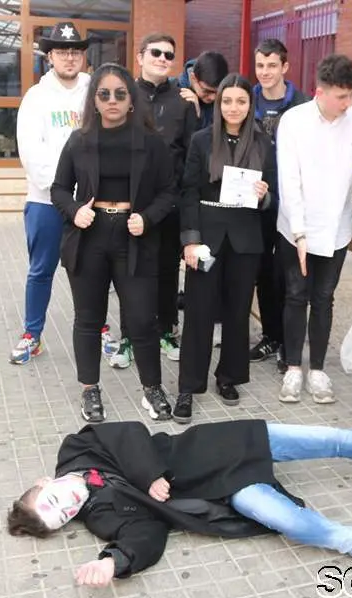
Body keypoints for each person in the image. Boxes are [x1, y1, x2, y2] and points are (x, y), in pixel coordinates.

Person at [6, 419, 352, 586]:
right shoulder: (100, 516)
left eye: (54, 499)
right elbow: (146, 532)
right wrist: (115, 561)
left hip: (220, 445)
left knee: (334, 439)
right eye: (63, 515)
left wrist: (148, 476)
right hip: (221, 492)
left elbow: (128, 434)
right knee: (292, 524)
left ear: (45, 481)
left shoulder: (77, 448)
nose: (69, 504)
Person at [50, 63, 178, 423]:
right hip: (89, 236)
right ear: (94, 99)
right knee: (88, 319)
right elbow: (59, 189)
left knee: (142, 319)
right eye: (104, 94)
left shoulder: (150, 142)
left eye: (120, 94)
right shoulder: (79, 141)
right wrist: (74, 210)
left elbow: (170, 191)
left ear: (131, 100)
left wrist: (147, 217)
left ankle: (152, 388)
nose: (112, 100)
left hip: (134, 236)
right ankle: (90, 390)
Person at [275, 55, 352, 405]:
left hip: (337, 229)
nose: (347, 103)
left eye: (351, 95)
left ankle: (318, 369)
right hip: (295, 227)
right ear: (319, 92)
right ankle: (293, 367)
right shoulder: (294, 121)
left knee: (324, 298)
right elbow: (289, 180)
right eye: (341, 96)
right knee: (295, 295)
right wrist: (299, 233)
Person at [176, 73, 278, 423]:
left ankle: (228, 376)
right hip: (207, 237)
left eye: (241, 101)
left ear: (251, 105)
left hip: (245, 239)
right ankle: (188, 386)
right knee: (199, 313)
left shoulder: (263, 143)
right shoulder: (202, 140)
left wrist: (265, 197)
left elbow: (273, 196)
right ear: (218, 104)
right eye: (228, 101)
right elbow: (188, 191)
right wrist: (190, 240)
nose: (234, 108)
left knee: (237, 312)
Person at [105, 32, 197, 370]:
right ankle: (129, 337)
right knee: (129, 271)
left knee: (167, 270)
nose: (162, 59)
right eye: (155, 52)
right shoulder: (123, 95)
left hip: (170, 202)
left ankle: (167, 331)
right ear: (140, 56)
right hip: (131, 203)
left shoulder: (183, 102)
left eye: (169, 55)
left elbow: (191, 154)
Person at [8, 22, 91, 365]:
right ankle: (33, 334)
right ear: (50, 56)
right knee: (41, 270)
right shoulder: (36, 97)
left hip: (89, 202)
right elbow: (31, 151)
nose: (69, 58)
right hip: (46, 201)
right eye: (62, 52)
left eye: (75, 52)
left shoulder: (94, 91)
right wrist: (64, 194)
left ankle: (97, 328)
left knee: (91, 270)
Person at [249, 39, 309, 374]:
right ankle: (270, 335)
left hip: (291, 202)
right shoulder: (248, 98)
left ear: (285, 67)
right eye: (260, 65)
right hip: (257, 200)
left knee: (289, 276)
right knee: (262, 271)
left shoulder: (303, 105)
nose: (265, 72)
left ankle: (289, 342)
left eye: (272, 65)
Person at [176, 50, 229, 130]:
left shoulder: (227, 98)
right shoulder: (172, 92)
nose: (213, 97)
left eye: (218, 92)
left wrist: (199, 114)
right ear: (193, 78)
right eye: (207, 91)